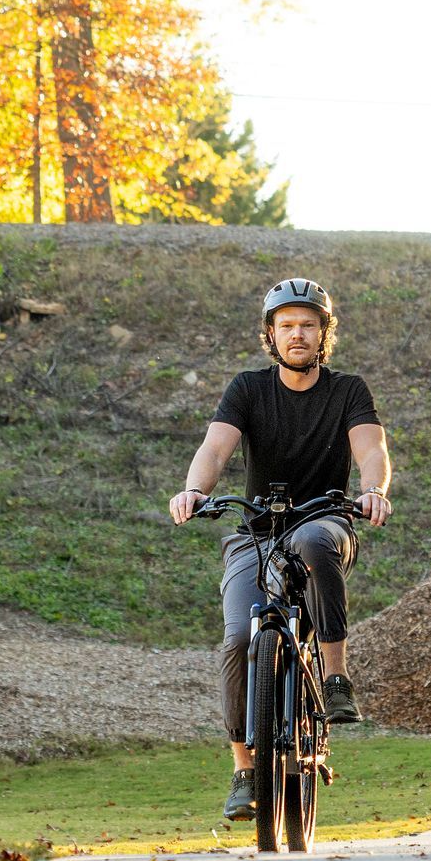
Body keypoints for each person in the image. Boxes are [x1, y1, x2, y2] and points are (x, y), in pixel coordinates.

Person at [169, 278, 393, 821]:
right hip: (257, 533)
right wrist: (194, 490)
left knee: (314, 540)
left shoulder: (348, 391)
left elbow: (372, 450)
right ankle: (245, 771)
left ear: (323, 333)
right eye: (286, 325)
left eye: (308, 325)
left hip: (324, 522)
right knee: (239, 638)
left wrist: (373, 491)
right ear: (270, 334)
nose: (297, 334)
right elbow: (215, 448)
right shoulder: (248, 389)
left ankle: (335, 678)